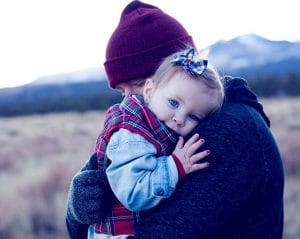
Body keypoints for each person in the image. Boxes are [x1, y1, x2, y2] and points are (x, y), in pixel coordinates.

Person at [66, 1, 284, 239]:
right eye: (121, 92)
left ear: (179, 70)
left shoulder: (231, 130)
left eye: (139, 84)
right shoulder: (148, 128)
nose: (129, 102)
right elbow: (79, 228)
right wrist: (76, 209)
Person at [89, 48, 224, 238]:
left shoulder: (158, 125)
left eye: (193, 116)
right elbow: (133, 192)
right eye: (174, 103)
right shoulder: (131, 133)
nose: (180, 119)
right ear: (149, 90)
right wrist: (175, 166)